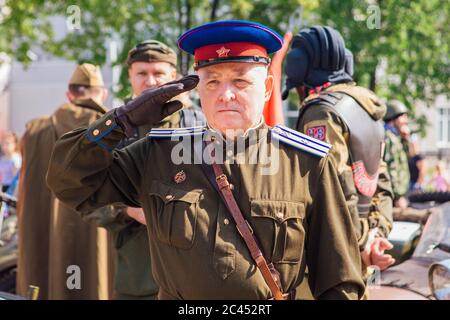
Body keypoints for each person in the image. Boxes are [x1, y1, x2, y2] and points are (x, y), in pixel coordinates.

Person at [47, 20, 365, 299]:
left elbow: (340, 281)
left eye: (240, 81)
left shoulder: (305, 163)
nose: (225, 94)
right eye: (212, 81)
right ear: (199, 89)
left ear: (267, 88)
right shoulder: (159, 153)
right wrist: (120, 122)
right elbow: (68, 182)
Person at [280, 26, 395, 274]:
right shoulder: (367, 107)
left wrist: (360, 243)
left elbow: (334, 189)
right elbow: (381, 180)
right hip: (362, 248)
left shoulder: (321, 113)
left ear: (299, 67)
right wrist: (376, 233)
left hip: (334, 255)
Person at [97, 39, 205, 300]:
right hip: (138, 273)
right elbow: (88, 195)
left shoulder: (199, 123)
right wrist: (129, 211)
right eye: (142, 73)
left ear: (173, 76)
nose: (150, 80)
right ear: (130, 77)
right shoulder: (112, 128)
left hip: (195, 270)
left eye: (158, 73)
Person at [16, 64, 114, 299]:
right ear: (103, 93)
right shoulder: (113, 130)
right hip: (97, 239)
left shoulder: (34, 132)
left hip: (46, 241)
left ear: (69, 95)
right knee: (94, 282)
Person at [383, 100, 411, 208]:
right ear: (394, 118)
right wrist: (398, 196)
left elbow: (409, 155)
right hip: (395, 196)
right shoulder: (389, 138)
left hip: (398, 194)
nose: (406, 120)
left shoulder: (396, 137)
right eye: (403, 117)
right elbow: (391, 168)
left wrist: (405, 139)